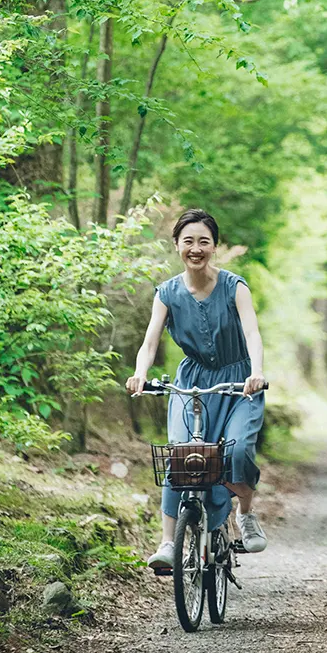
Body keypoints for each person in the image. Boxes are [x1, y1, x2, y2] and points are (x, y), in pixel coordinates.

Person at [126, 208, 268, 569]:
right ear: (176, 245)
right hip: (191, 384)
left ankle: (246, 514)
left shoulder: (235, 287)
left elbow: (252, 333)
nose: (196, 248)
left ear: (214, 247)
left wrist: (257, 372)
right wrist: (140, 373)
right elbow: (150, 341)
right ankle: (168, 543)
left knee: (235, 455)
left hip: (238, 384)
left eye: (204, 241)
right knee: (181, 458)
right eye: (188, 241)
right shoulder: (167, 293)